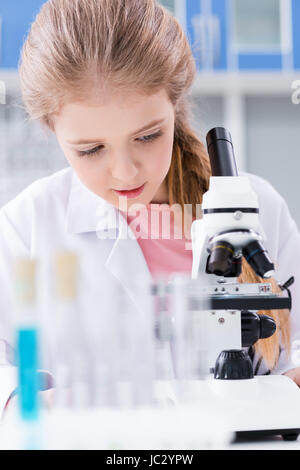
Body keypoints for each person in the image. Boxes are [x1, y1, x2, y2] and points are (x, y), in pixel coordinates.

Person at [1, 0, 300, 413]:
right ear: (51, 129)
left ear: (174, 108)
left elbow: (293, 353)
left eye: (147, 136)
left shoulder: (257, 207)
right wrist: (23, 400)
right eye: (91, 149)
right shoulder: (26, 227)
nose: (125, 173)